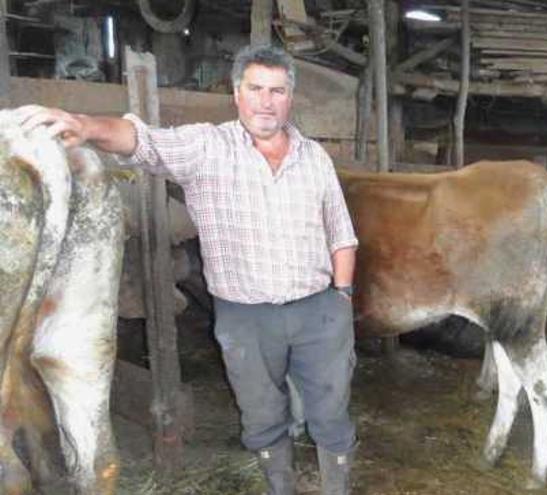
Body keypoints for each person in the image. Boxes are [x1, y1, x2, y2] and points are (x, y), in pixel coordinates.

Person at [19, 44, 359, 495]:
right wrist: (85, 126)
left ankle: (337, 488)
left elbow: (341, 232)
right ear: (237, 94)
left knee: (331, 410)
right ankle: (281, 488)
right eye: (255, 88)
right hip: (246, 317)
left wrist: (342, 295)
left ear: (289, 98)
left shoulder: (314, 156)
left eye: (277, 90)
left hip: (319, 310)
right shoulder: (207, 147)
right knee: (261, 414)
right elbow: (141, 140)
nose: (266, 100)